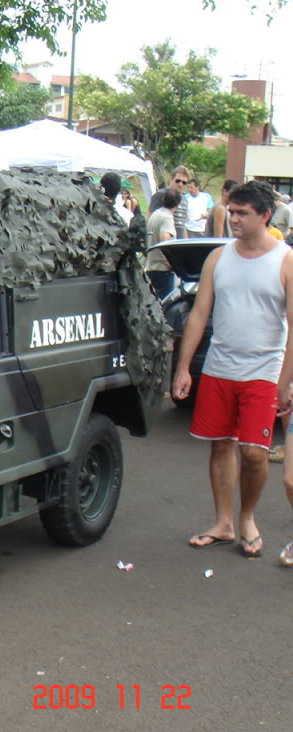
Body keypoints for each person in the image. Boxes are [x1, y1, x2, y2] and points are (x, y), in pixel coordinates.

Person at [172, 180, 293, 558]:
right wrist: (183, 369)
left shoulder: (285, 260)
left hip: (265, 369)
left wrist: (284, 382)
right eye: (232, 210)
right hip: (221, 367)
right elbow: (198, 316)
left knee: (255, 453)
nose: (232, 219)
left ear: (265, 216)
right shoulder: (218, 258)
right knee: (221, 444)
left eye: (242, 213)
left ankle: (248, 518)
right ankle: (223, 523)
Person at [144, 188, 180, 299]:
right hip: (162, 269)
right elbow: (165, 238)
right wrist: (171, 261)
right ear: (178, 204)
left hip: (150, 266)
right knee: (165, 305)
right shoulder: (167, 218)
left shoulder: (155, 214)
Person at [149, 166, 191, 239]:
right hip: (164, 241)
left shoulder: (184, 199)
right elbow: (150, 219)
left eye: (184, 182)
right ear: (171, 179)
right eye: (178, 181)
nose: (180, 184)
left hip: (179, 242)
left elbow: (182, 224)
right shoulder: (161, 195)